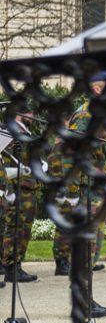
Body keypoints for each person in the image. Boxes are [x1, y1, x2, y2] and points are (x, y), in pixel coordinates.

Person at [51, 71, 106, 317]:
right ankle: (82, 303)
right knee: (84, 250)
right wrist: (71, 192)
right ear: (98, 89)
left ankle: (86, 299)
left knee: (91, 250)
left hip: (95, 193)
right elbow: (67, 152)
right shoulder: (86, 115)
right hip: (86, 194)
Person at [1, 109, 40, 283]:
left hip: (27, 186)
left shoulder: (24, 131)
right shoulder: (9, 131)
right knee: (15, 227)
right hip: (17, 188)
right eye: (30, 113)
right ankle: (11, 267)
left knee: (23, 228)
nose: (33, 116)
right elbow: (5, 161)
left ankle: (15, 265)